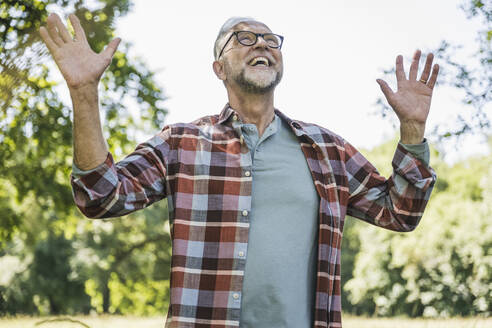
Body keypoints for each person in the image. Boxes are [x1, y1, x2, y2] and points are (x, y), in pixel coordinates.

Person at [40, 12, 439, 328]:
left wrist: (412, 131)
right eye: (244, 38)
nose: (261, 44)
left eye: (270, 40)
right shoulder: (181, 143)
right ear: (219, 68)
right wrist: (84, 94)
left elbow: (400, 212)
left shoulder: (327, 150)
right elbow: (99, 196)